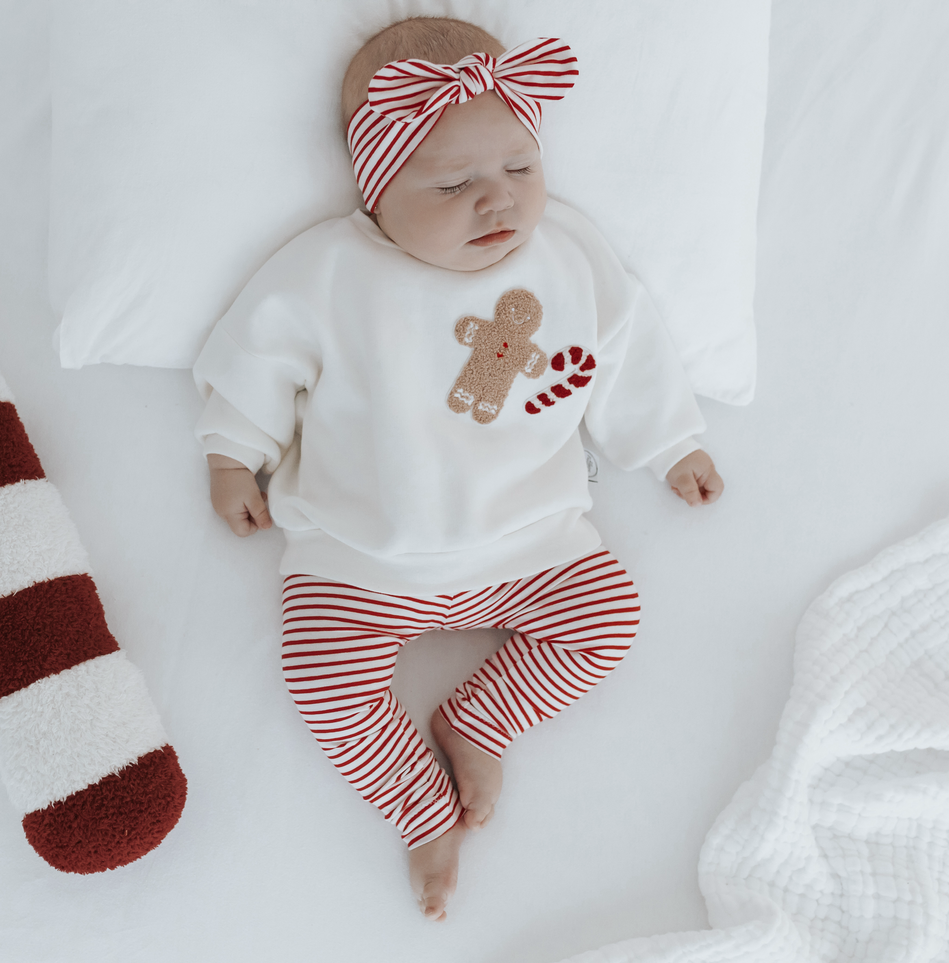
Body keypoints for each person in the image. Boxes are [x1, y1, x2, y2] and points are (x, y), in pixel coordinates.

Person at [193, 17, 724, 922]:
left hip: (532, 545)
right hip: (358, 560)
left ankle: (479, 719)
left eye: (520, 169)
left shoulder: (566, 251)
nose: (498, 203)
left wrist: (671, 443)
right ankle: (417, 803)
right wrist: (232, 456)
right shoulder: (325, 270)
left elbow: (629, 347)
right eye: (452, 183)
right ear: (375, 192)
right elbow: (253, 361)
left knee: (608, 618)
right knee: (323, 679)